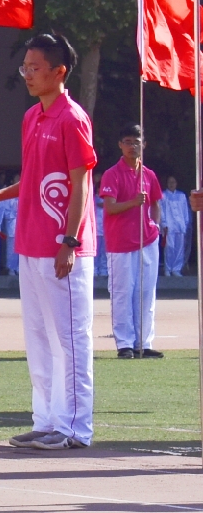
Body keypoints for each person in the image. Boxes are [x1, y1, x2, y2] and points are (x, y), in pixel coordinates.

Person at [0, 31, 97, 451]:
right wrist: (0, 194)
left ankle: (75, 428)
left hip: (62, 246)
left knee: (71, 337)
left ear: (59, 72)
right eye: (24, 67)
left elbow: (80, 183)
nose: (27, 74)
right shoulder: (33, 117)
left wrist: (70, 239)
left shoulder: (72, 118)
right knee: (39, 337)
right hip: (30, 242)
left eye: (34, 67)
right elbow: (36, 178)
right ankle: (45, 421)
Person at [99, 124, 162, 360]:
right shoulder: (112, 174)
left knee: (146, 292)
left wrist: (154, 225)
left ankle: (144, 342)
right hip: (121, 242)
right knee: (123, 293)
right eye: (127, 141)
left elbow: (155, 203)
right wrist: (134, 203)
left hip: (147, 241)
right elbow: (110, 207)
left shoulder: (149, 174)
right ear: (120, 145)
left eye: (136, 142)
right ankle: (124, 343)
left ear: (143, 145)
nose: (132, 146)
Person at [162, 173, 190, 277]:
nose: (171, 184)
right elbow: (161, 211)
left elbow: (185, 211)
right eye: (169, 182)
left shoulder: (181, 196)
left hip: (180, 225)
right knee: (169, 248)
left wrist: (186, 223)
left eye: (173, 182)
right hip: (169, 226)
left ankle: (176, 269)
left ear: (176, 183)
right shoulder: (163, 195)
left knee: (179, 248)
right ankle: (168, 269)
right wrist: (163, 223)